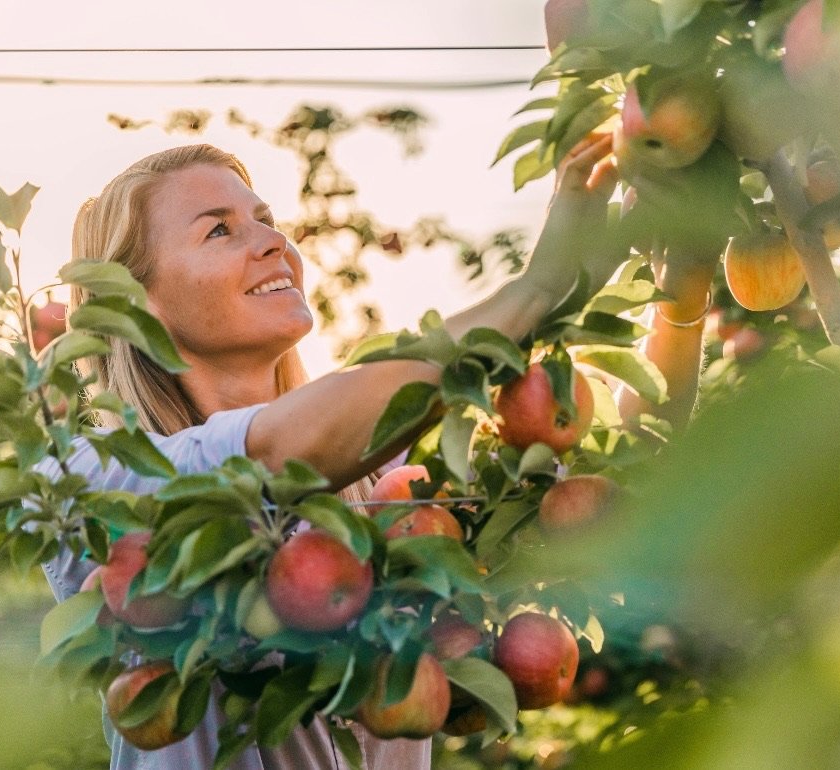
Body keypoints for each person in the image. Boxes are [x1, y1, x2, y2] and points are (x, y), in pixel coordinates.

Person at [39, 135, 635, 769]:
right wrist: (537, 287)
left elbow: (607, 496)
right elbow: (279, 454)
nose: (274, 242)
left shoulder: (386, 488)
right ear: (136, 305)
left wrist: (673, 289)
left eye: (264, 220)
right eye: (219, 231)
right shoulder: (95, 478)